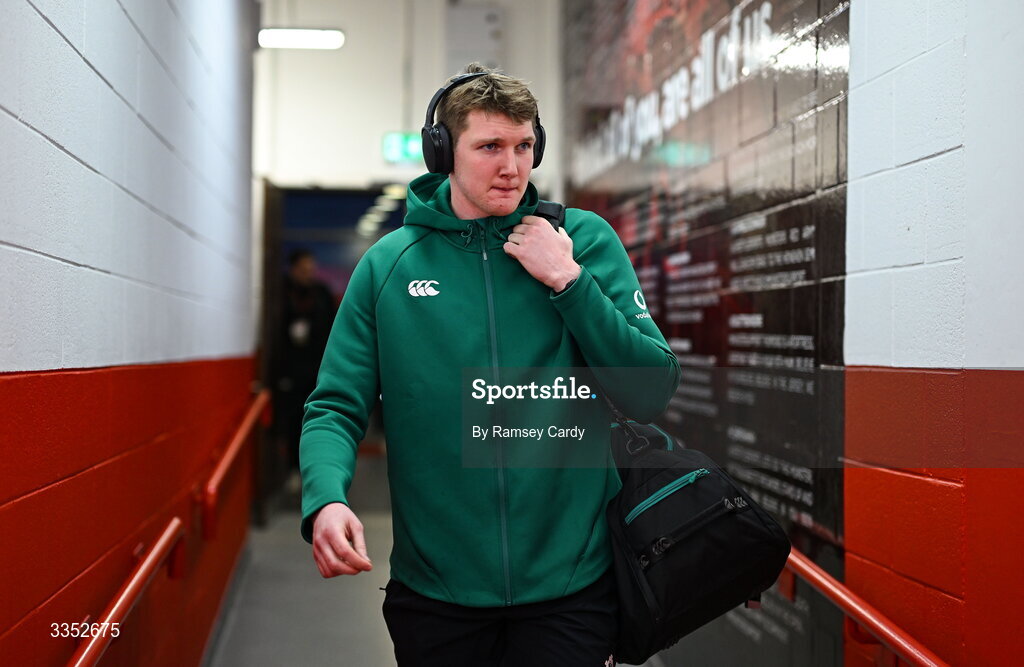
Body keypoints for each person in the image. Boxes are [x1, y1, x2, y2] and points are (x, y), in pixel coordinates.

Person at [299, 63, 680, 666]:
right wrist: (326, 496)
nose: (512, 166)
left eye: (525, 145)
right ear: (443, 152)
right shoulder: (389, 265)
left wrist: (569, 281)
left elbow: (650, 390)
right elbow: (335, 405)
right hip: (437, 589)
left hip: (572, 587)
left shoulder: (582, 242)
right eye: (490, 147)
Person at [273, 249, 336, 489]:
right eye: (303, 269)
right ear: (293, 269)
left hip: (318, 368)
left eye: (311, 268)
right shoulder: (281, 293)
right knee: (293, 422)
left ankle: (319, 472)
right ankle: (293, 469)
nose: (308, 273)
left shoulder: (321, 293)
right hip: (291, 369)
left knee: (319, 419)